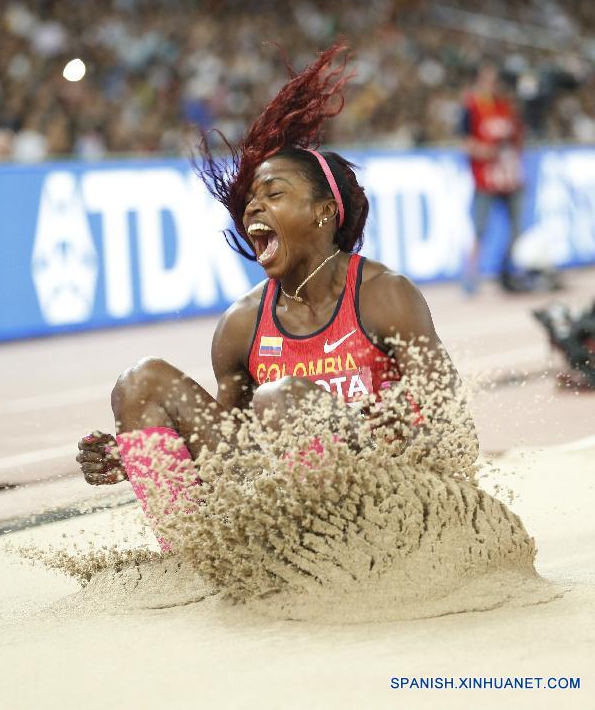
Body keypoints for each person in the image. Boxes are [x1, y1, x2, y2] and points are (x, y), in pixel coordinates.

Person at [76, 44, 478, 546]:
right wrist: (154, 455)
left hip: (389, 507)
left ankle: (332, 556)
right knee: (141, 381)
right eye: (250, 201)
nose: (252, 210)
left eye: (274, 195)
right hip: (284, 514)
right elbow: (234, 452)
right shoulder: (243, 324)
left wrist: (412, 470)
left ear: (324, 212)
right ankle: (195, 557)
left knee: (283, 398)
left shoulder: (385, 296)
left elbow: (454, 430)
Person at [460, 63, 525, 293]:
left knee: (517, 228)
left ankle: (506, 272)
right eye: (487, 80)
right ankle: (470, 278)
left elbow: (519, 137)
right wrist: (482, 150)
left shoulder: (508, 106)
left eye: (494, 80)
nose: (491, 85)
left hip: (510, 178)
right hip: (485, 179)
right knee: (480, 230)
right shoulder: (472, 106)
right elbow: (463, 140)